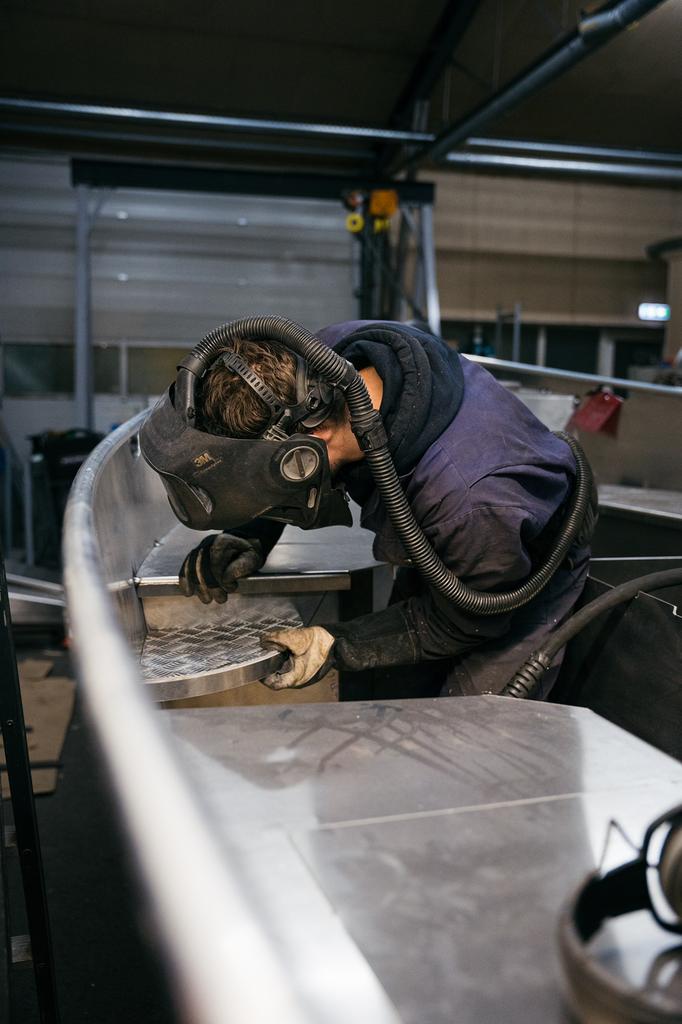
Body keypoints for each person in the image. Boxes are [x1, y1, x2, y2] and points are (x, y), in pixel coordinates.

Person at [178, 320, 596, 700]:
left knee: (469, 728)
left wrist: (338, 643)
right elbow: (282, 462)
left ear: (312, 444)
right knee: (399, 690)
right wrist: (252, 534)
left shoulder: (472, 502)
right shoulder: (318, 363)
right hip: (459, 532)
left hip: (516, 570)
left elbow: (466, 619)